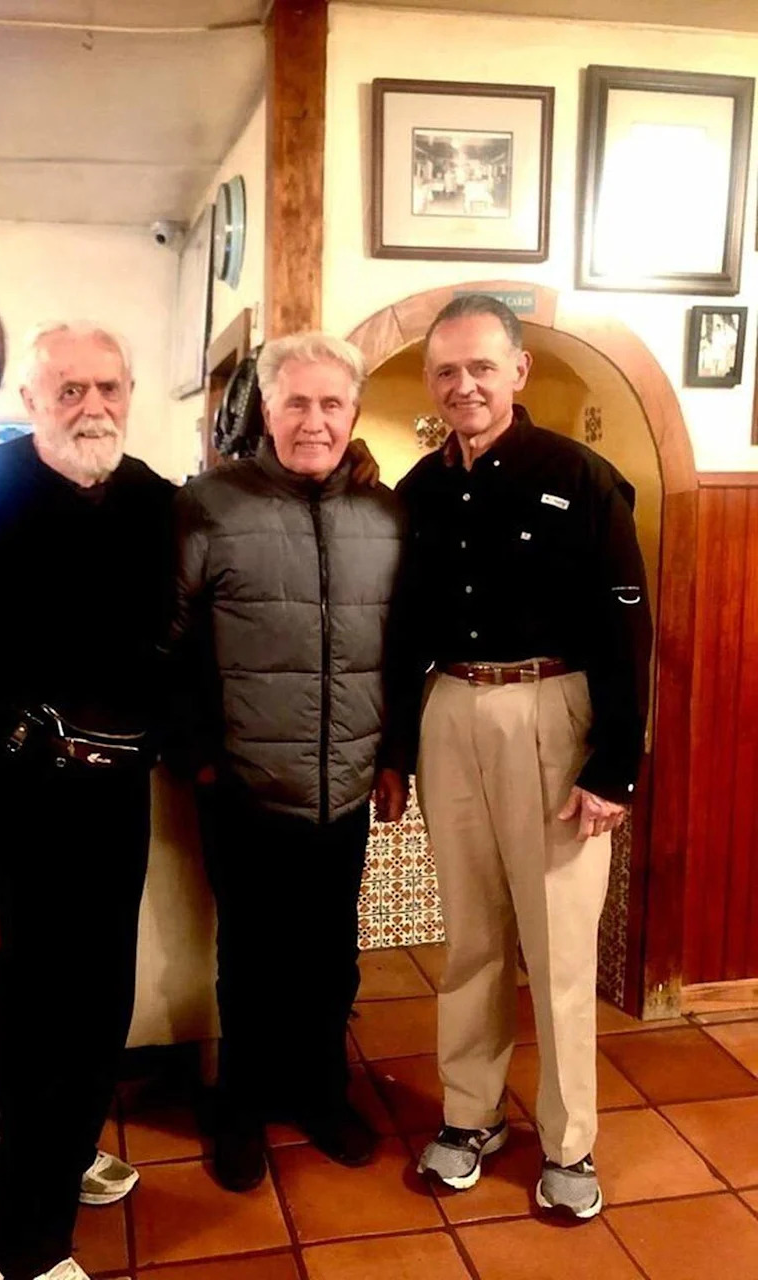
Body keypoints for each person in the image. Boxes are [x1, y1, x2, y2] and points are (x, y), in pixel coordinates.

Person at [0, 322, 171, 1280]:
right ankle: (21, 1246)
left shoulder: (153, 502)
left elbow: (170, 651)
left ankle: (68, 1152)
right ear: (30, 400)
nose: (92, 407)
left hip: (118, 804)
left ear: (131, 390)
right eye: (69, 390)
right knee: (33, 1024)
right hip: (20, 807)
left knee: (102, 1002)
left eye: (108, 386)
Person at [379, 294, 652, 1220]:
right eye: (447, 370)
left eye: (482, 367)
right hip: (450, 709)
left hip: (554, 714)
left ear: (518, 372)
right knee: (473, 938)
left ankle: (571, 1142)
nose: (465, 385)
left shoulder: (580, 476)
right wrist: (392, 749)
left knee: (560, 948)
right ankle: (470, 1115)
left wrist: (614, 766)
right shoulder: (417, 490)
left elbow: (627, 632)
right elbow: (402, 629)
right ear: (432, 380)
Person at [170, 332, 406, 1193]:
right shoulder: (209, 505)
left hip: (344, 786)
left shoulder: (387, 515)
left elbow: (404, 647)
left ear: (353, 412)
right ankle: (239, 1108)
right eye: (296, 402)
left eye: (331, 403)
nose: (314, 420)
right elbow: (173, 642)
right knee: (251, 961)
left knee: (330, 956)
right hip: (243, 785)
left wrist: (393, 757)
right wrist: (199, 757)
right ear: (267, 410)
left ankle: (321, 1094)